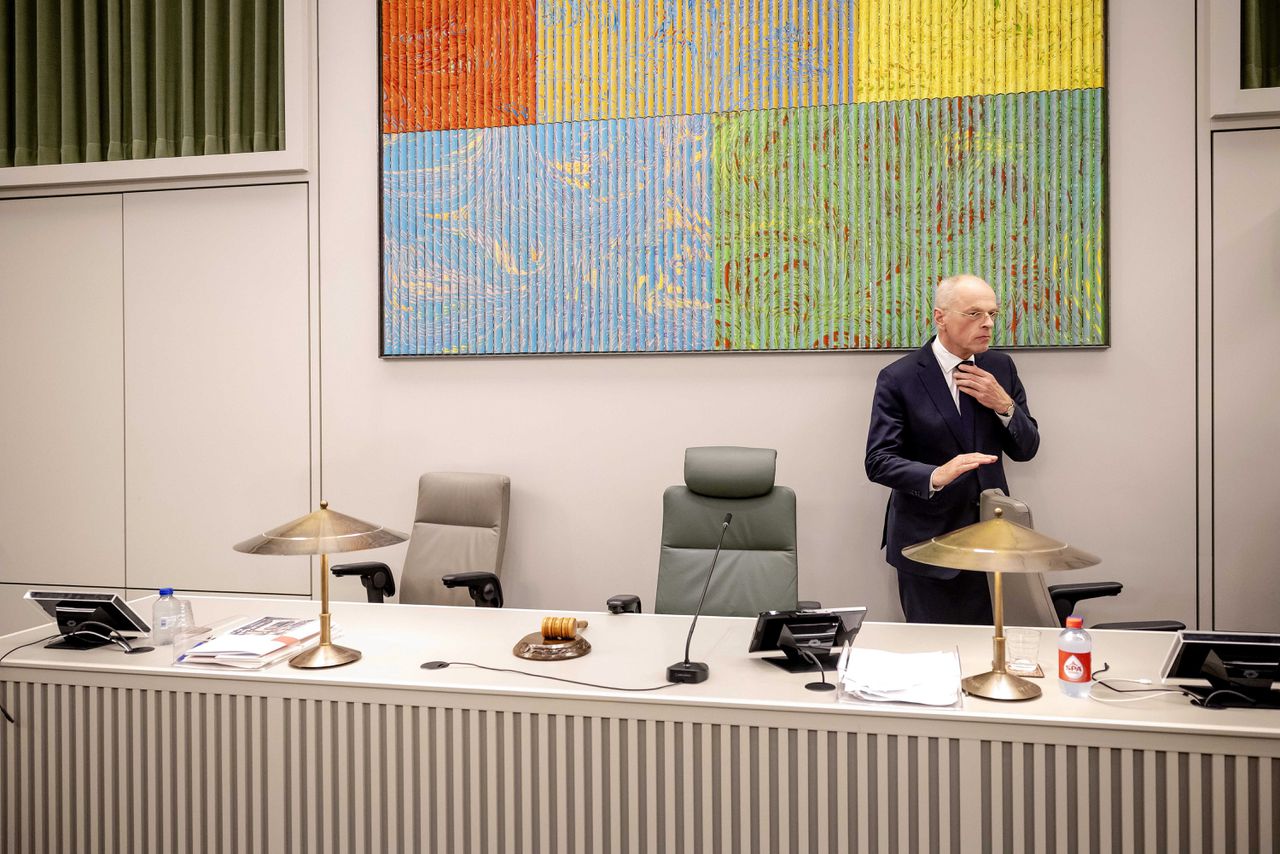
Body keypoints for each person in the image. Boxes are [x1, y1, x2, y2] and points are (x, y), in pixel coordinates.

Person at [865, 274, 1040, 624]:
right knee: (934, 657)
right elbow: (878, 460)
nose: (988, 324)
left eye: (992, 314)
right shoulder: (899, 377)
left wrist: (1004, 405)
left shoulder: (1000, 367)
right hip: (926, 542)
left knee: (987, 656)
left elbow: (1027, 448)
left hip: (992, 538)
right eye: (974, 314)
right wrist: (936, 475)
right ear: (940, 317)